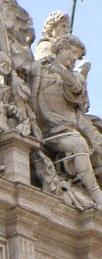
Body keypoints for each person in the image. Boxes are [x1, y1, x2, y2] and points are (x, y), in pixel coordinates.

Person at [31, 34, 102, 207]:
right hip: (43, 129)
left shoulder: (71, 76)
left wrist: (62, 70)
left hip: (63, 130)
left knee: (79, 144)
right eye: (73, 53)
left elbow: (76, 86)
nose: (74, 58)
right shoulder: (39, 68)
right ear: (62, 48)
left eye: (77, 56)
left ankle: (96, 194)